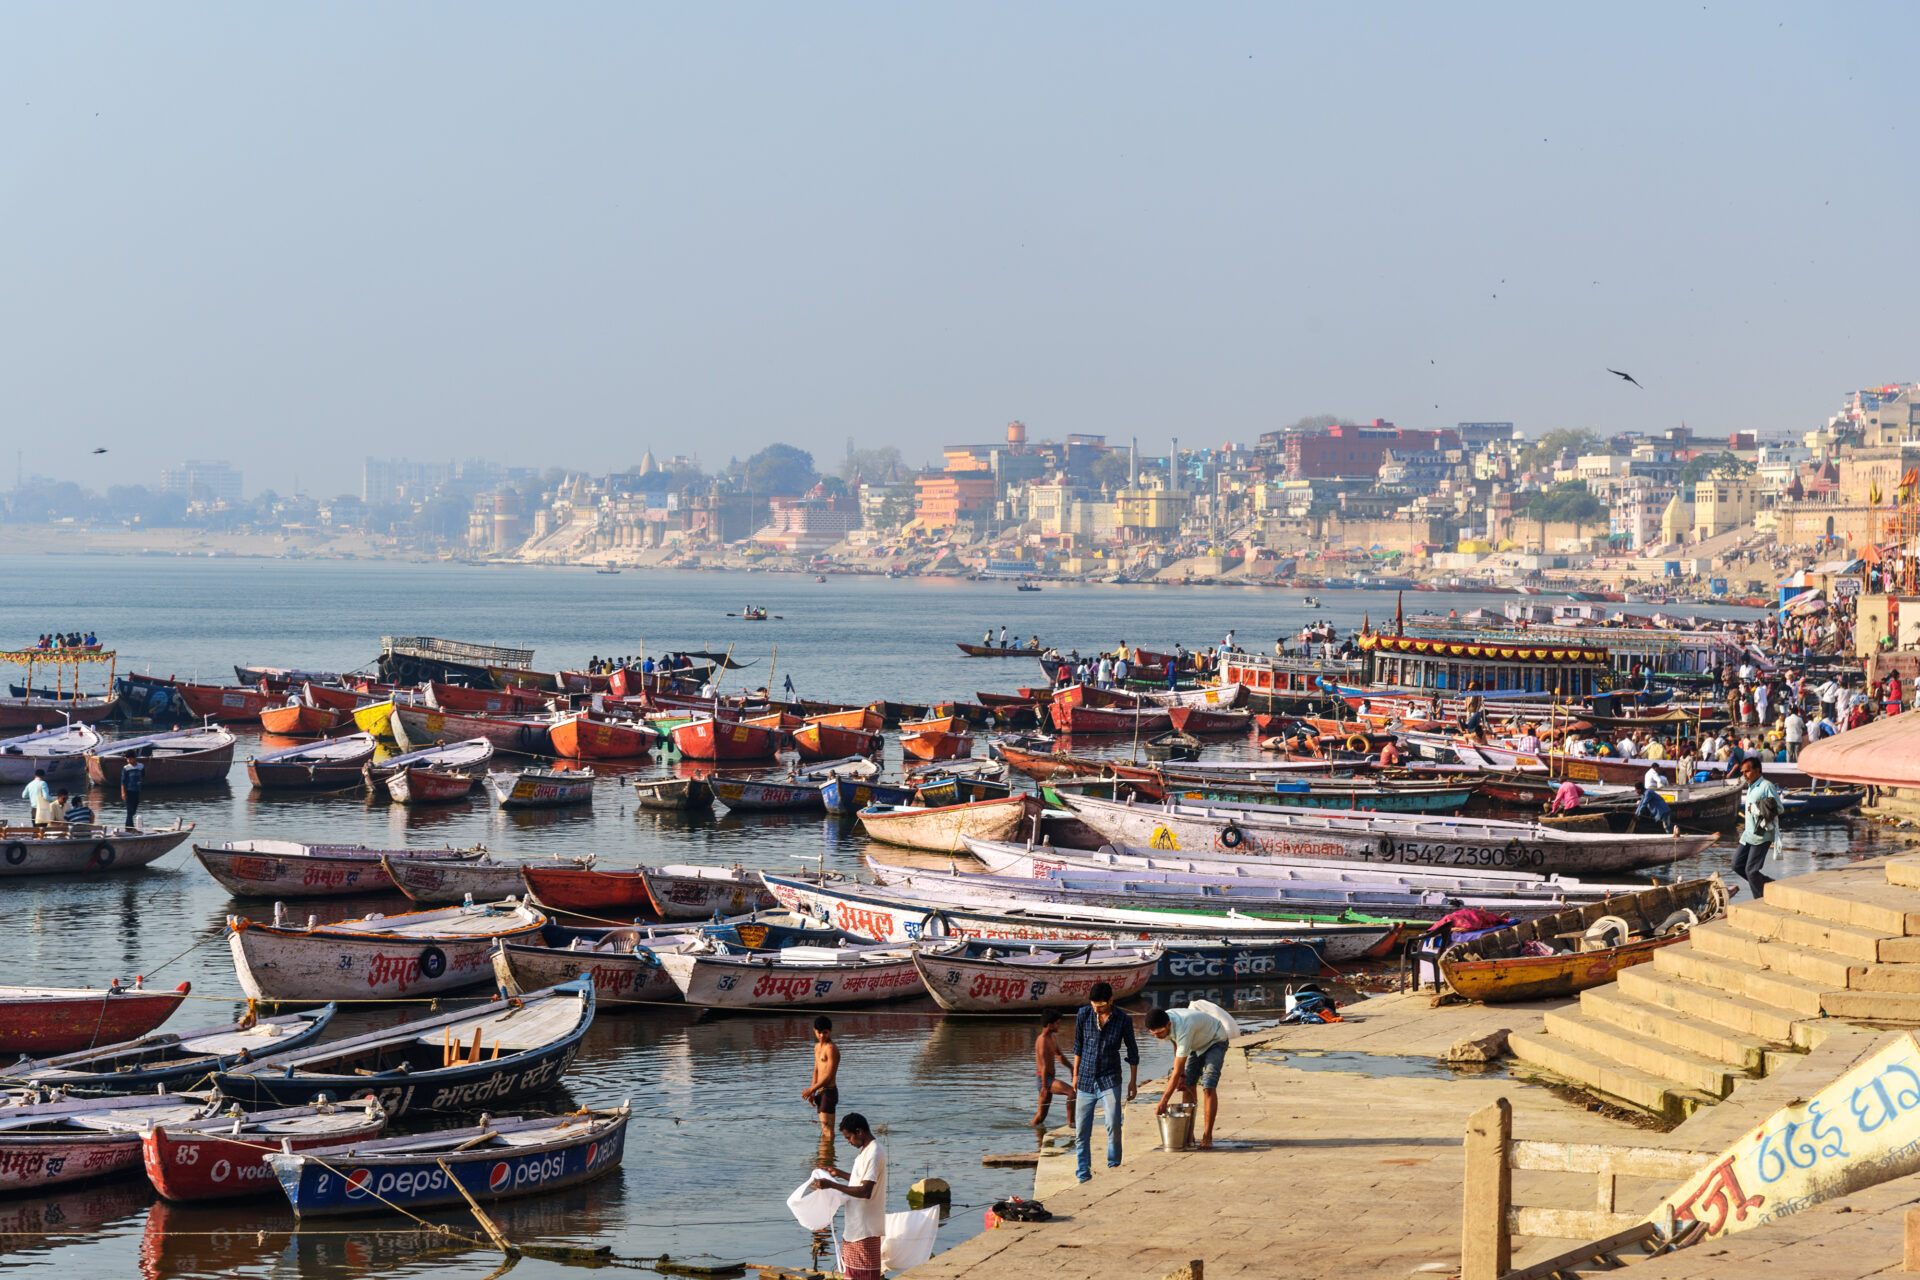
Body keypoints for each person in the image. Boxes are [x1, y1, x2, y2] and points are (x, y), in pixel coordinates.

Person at [1071, 981, 1138, 1183]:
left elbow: (1132, 1051)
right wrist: (1074, 1075)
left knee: (1114, 1125)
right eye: (1093, 1005)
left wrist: (1133, 1082)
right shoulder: (1083, 1014)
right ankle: (1083, 1175)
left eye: (1100, 1006)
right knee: (1082, 1132)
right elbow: (1078, 1045)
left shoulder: (1123, 1020)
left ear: (1110, 1001)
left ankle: (1113, 1166)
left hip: (1110, 1078)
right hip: (1085, 1079)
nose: (1096, 1009)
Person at [1145, 1002, 1234, 1150]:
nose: (1157, 1037)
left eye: (1159, 1033)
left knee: (1208, 1085)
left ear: (1168, 1025)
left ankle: (1208, 1137)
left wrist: (1164, 1100)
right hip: (1196, 1044)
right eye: (1153, 1034)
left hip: (1215, 1040)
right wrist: (1182, 1075)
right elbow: (1175, 1043)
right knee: (1187, 1085)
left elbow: (1175, 1071)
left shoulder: (1184, 1028)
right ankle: (1188, 1134)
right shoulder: (1164, 1019)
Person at [811, 1113, 886, 1280]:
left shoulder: (874, 1152)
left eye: (849, 1137)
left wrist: (831, 1184)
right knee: (853, 1274)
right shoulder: (866, 1151)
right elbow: (861, 1180)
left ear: (859, 1131)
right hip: (856, 1226)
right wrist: (838, 1173)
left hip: (864, 1229)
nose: (848, 1142)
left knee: (862, 1276)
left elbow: (866, 1191)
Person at [1734, 755, 1782, 899]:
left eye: (1747, 771)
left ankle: (1759, 899)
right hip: (1748, 834)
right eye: (1742, 772)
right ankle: (1766, 882)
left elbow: (1779, 808)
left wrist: (1757, 809)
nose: (1744, 775)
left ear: (1757, 770)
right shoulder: (1750, 787)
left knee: (1751, 870)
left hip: (1762, 835)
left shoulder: (1767, 786)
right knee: (1736, 865)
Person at [1032, 1009, 1076, 1127]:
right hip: (1044, 1080)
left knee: (1041, 1116)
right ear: (1050, 1025)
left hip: (1049, 1078)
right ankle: (1071, 1123)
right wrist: (1045, 1087)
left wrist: (1071, 1068)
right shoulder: (1041, 1041)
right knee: (1071, 1092)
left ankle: (1038, 1140)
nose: (1059, 1025)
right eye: (1057, 1023)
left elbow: (1059, 1055)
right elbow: (1044, 1066)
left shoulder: (1052, 1038)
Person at [802, 1015, 841, 1141]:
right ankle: (824, 1159)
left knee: (828, 1130)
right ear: (814, 1031)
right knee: (824, 1129)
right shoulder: (817, 1047)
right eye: (819, 1032)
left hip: (829, 1092)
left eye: (825, 1032)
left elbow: (829, 1076)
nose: (822, 1035)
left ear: (830, 1031)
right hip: (820, 1090)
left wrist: (811, 1088)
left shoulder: (831, 1049)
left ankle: (827, 1159)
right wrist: (813, 1091)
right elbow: (816, 1069)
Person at [1634, 765, 1674, 834]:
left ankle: (1672, 838)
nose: (1635, 791)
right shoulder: (1645, 794)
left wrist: (1638, 814)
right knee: (1667, 826)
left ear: (1639, 789)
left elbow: (1644, 804)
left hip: (1663, 811)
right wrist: (1636, 813)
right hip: (1661, 812)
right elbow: (1641, 803)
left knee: (1667, 827)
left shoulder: (1648, 793)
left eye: (1636, 790)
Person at [120, 749, 146, 828]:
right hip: (128, 791)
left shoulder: (141, 766)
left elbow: (143, 775)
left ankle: (128, 827)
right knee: (129, 811)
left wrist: (140, 783)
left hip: (137, 790)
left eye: (130, 758)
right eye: (127, 759)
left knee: (133, 810)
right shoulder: (126, 768)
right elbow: (123, 782)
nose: (128, 760)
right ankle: (129, 828)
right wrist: (123, 793)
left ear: (134, 758)